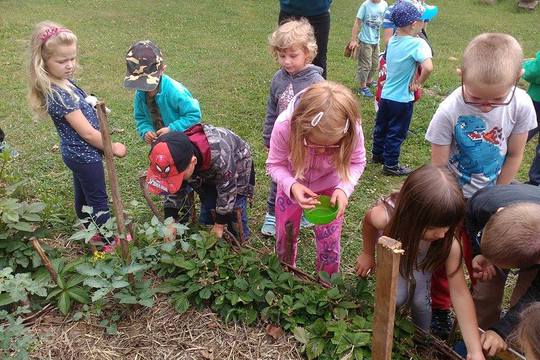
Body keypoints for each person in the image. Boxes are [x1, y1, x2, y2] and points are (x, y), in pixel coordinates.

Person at [425, 33, 537, 337]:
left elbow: (515, 154)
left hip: (492, 202)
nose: (486, 107)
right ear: (461, 76)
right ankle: (440, 307)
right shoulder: (449, 110)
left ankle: (479, 315)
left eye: (496, 99)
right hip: (454, 198)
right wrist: (448, 205)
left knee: (487, 263)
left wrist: (496, 195)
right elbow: (438, 167)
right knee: (446, 255)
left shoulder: (522, 104)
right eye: (476, 98)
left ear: (517, 79)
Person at [355, 165, 485, 360]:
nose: (442, 234)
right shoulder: (385, 218)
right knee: (396, 297)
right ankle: (386, 331)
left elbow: (459, 291)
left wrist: (474, 350)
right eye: (433, 228)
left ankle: (422, 340)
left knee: (421, 302)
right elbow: (369, 222)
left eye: (447, 227)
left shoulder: (449, 244)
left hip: (422, 267)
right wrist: (367, 253)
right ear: (410, 216)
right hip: (396, 263)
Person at [27, 21, 127, 252]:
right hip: (85, 154)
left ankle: (88, 229)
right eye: (62, 61)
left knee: (84, 193)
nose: (70, 65)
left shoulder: (62, 82)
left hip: (75, 153)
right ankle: (106, 242)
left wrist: (90, 102)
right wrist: (112, 147)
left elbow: (81, 102)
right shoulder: (60, 95)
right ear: (43, 62)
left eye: (72, 58)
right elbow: (87, 133)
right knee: (98, 199)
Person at [266, 81, 366, 275]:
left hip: (331, 188)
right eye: (312, 143)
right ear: (300, 128)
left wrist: (343, 189)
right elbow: (274, 164)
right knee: (285, 232)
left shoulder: (352, 130)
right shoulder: (285, 126)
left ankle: (326, 283)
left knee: (329, 238)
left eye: (332, 146)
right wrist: (292, 185)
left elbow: (357, 162)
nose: (321, 150)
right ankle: (284, 274)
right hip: (292, 184)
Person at [261, 19, 324, 237]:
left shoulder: (316, 82)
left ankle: (305, 211)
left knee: (307, 177)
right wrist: (268, 137)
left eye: (293, 55)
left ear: (308, 53)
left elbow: (324, 116)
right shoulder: (277, 79)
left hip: (308, 143)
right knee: (279, 176)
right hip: (282, 141)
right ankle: (272, 213)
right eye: (282, 55)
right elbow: (271, 110)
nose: (287, 61)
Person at [464, 184, 540, 357]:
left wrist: (502, 331)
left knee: (529, 311)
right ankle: (479, 342)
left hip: (533, 246)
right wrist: (480, 253)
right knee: (485, 292)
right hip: (519, 235)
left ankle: (518, 348)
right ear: (498, 212)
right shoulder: (483, 204)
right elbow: (471, 218)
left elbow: (535, 295)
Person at [145, 125, 254, 239]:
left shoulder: (220, 156)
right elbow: (171, 187)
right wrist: (170, 220)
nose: (177, 180)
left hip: (237, 164)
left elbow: (228, 190)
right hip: (205, 169)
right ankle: (208, 228)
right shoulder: (176, 155)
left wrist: (219, 224)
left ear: (193, 161)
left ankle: (238, 237)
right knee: (208, 198)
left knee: (235, 204)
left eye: (179, 176)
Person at [372, 1, 433, 176]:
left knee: (381, 126)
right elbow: (428, 67)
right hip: (402, 99)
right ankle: (391, 165)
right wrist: (419, 82)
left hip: (386, 94)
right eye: (421, 20)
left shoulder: (391, 42)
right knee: (396, 131)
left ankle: (377, 155)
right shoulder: (418, 44)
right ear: (414, 23)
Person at [123, 40, 201, 144]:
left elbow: (194, 115)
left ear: (162, 70)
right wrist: (146, 131)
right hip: (160, 143)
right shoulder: (140, 94)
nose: (143, 88)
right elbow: (141, 117)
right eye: (139, 83)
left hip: (183, 142)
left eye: (147, 82)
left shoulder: (175, 91)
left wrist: (172, 129)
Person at [278, 0, 332, 79]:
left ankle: (318, 90)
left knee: (318, 57)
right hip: (289, 10)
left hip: (319, 12)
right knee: (287, 53)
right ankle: (285, 88)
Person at [348, 0, 388, 97]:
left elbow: (387, 21)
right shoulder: (366, 5)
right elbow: (357, 22)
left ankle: (369, 81)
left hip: (376, 41)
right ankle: (362, 87)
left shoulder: (384, 4)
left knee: (375, 64)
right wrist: (353, 40)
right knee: (365, 65)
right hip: (365, 41)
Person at [523, 51, 540, 186]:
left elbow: (533, 72)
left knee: (521, 134)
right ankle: (536, 183)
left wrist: (525, 65)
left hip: (537, 102)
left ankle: (496, 168)